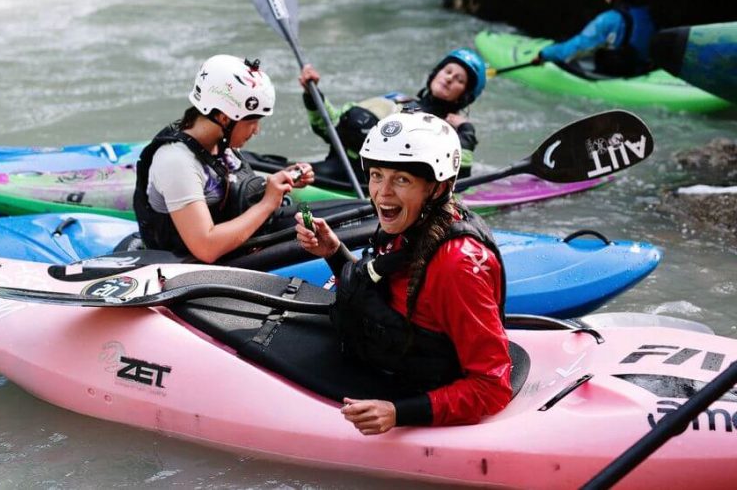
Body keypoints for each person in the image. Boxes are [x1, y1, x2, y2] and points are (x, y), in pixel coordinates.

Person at [294, 111, 511, 434]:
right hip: (385, 356)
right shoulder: (413, 223)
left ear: (437, 188)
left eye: (401, 179)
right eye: (377, 175)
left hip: (417, 388)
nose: (382, 193)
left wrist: (399, 413)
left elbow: (492, 386)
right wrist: (334, 252)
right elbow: (382, 290)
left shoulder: (458, 265)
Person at [132, 54, 316, 263]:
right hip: (196, 268)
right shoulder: (176, 162)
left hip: (243, 246)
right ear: (223, 117)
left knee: (345, 219)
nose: (256, 130)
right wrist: (267, 204)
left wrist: (278, 182)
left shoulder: (219, 143)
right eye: (253, 121)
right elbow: (206, 247)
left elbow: (233, 190)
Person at [298, 47, 486, 180]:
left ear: (464, 96)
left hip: (370, 184)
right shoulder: (397, 100)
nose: (450, 78)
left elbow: (458, 178)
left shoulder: (449, 128)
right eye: (448, 71)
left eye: (459, 80)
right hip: (335, 169)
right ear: (435, 73)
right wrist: (313, 93)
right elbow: (329, 125)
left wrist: (466, 131)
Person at [537, 0, 656, 77]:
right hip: (637, 74)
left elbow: (577, 47)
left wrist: (544, 54)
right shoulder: (648, 17)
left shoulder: (610, 20)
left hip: (610, 78)